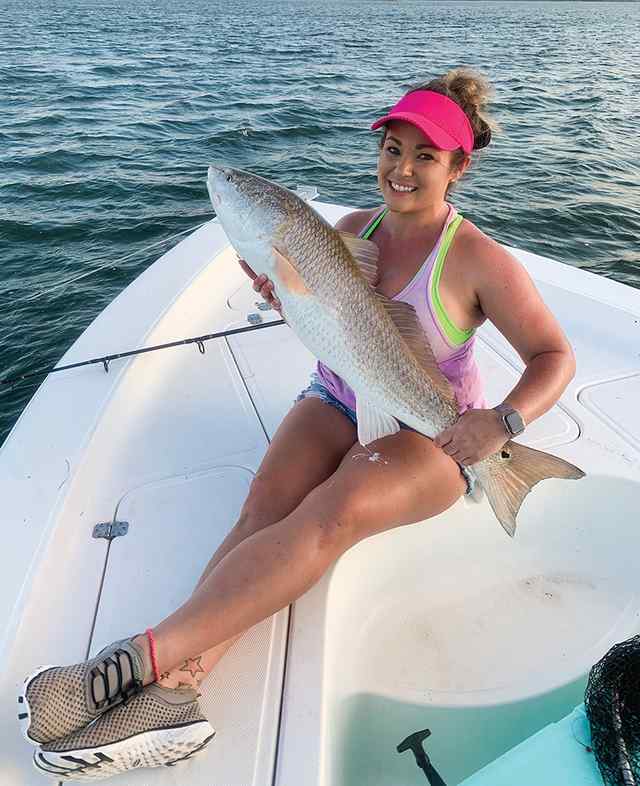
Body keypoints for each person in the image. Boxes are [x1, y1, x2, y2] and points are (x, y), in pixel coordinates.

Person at [21, 67, 576, 780]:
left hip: (435, 431)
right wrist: (288, 299)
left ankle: (131, 663)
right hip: (341, 398)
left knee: (324, 517)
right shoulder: (350, 230)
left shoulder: (476, 257)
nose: (401, 170)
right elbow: (332, 331)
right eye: (391, 150)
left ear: (458, 167)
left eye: (425, 157)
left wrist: (500, 425)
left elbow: (554, 355)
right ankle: (178, 693)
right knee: (260, 510)